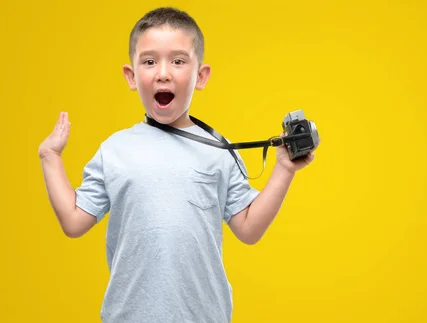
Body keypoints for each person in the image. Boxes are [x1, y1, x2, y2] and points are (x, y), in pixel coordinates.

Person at [38, 7, 315, 323]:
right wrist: (51, 158)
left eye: (179, 61)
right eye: (150, 61)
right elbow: (74, 223)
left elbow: (249, 229)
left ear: (201, 76)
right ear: (131, 76)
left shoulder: (220, 151)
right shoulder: (114, 149)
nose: (163, 73)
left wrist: (283, 169)